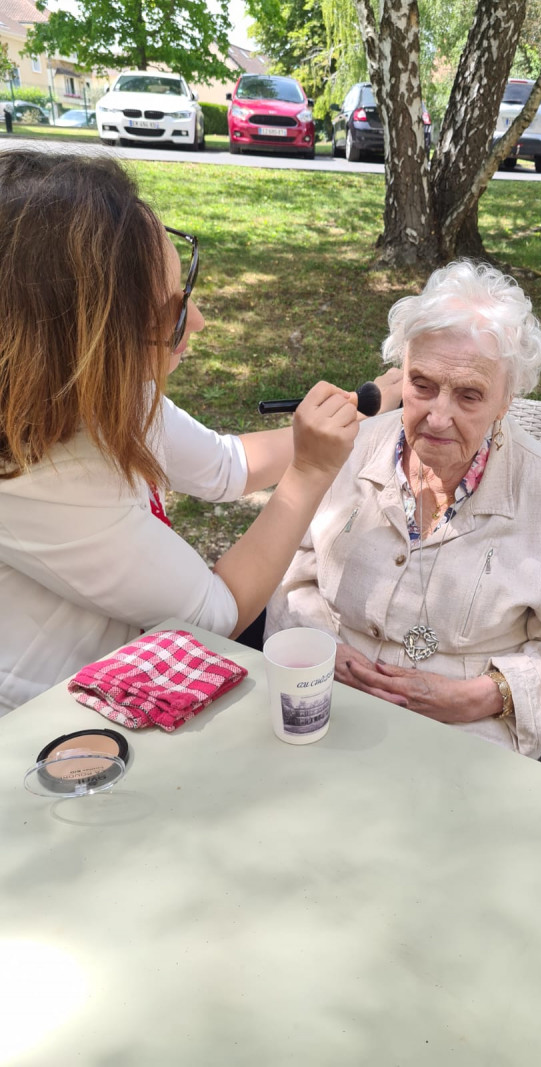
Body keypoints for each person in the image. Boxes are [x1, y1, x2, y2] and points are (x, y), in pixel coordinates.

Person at [0, 148, 386, 712]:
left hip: (121, 665)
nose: (198, 322)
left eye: (187, 291)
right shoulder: (33, 476)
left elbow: (227, 465)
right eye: (173, 314)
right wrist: (310, 472)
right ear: (82, 344)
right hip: (57, 725)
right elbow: (218, 615)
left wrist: (365, 405)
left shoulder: (94, 387)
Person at [266, 261, 541, 759]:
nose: (438, 415)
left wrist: (474, 697)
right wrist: (324, 649)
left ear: (506, 399)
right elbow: (290, 575)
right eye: (422, 384)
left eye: (469, 394)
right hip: (326, 700)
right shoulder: (348, 450)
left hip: (462, 736)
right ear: (401, 373)